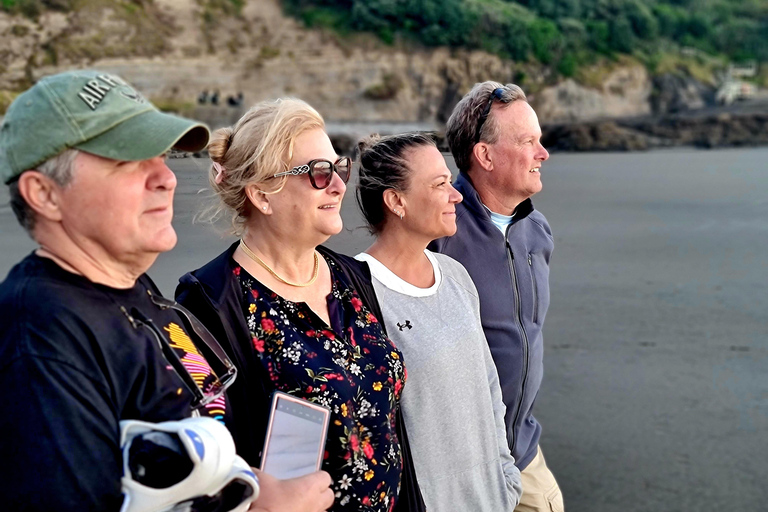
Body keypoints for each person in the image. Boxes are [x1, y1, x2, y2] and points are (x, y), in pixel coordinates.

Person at [0, 70, 333, 512]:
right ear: (44, 194)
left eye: (161, 156)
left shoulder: (135, 292)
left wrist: (248, 486)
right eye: (127, 161)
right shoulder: (41, 337)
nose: (166, 178)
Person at [176, 98, 422, 512]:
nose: (340, 185)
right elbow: (210, 466)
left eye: (339, 168)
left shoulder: (352, 277)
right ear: (262, 195)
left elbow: (390, 427)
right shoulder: (212, 302)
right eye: (318, 173)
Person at [354, 132, 522, 511]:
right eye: (440, 184)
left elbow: (488, 388)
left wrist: (505, 479)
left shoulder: (456, 275)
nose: (457, 195)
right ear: (396, 201)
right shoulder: (358, 293)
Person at [429, 81, 564, 512]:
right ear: (484, 155)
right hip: (458, 464)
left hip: (522, 448)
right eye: (528, 142)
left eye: (540, 141)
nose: (543, 154)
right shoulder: (437, 235)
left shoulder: (536, 229)